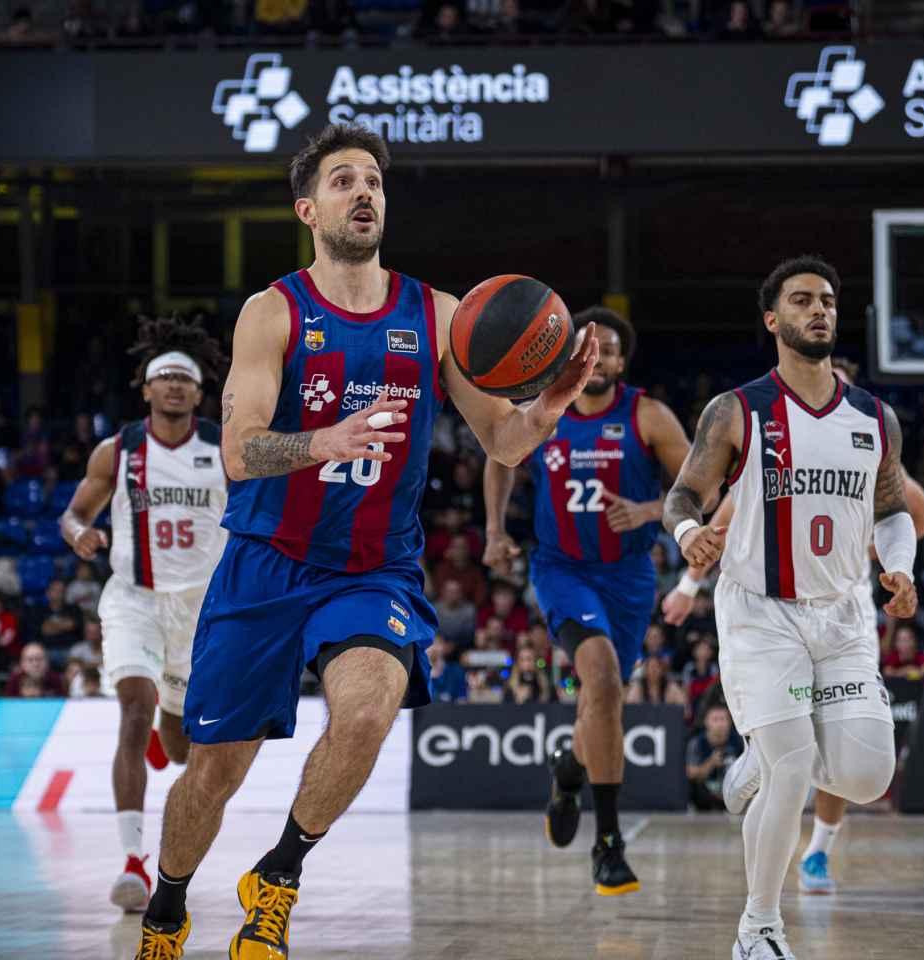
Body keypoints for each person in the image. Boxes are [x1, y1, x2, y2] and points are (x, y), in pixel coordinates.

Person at [136, 123, 599, 959]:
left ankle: (277, 876)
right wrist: (321, 440)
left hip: (374, 569)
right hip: (266, 564)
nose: (365, 192)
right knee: (215, 774)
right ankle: (166, 907)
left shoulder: (440, 315)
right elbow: (238, 453)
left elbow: (503, 442)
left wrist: (550, 405)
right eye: (345, 180)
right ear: (309, 208)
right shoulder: (273, 310)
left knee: (368, 710)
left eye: (375, 181)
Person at [661, 255, 914, 960]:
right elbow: (682, 496)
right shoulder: (737, 410)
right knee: (795, 768)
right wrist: (690, 537)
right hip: (759, 610)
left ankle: (757, 760)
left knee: (867, 778)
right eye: (802, 301)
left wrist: (900, 566)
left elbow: (893, 510)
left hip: (843, 613)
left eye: (828, 300)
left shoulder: (875, 417)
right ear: (773, 320)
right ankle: (759, 930)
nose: (819, 310)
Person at [665, 355, 924, 894]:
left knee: (856, 758)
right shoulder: (760, 424)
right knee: (795, 746)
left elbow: (916, 515)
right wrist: (687, 584)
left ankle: (799, 807)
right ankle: (781, 883)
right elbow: (722, 517)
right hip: (771, 605)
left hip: (844, 601)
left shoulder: (870, 434)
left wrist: (879, 553)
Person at [482, 303, 691, 897]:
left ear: (622, 360)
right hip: (562, 571)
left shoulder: (647, 414)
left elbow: (698, 483)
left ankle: (569, 770)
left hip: (628, 577)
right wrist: (496, 530)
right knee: (598, 682)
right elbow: (499, 457)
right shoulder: (543, 414)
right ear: (570, 356)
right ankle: (608, 845)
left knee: (603, 705)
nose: (602, 358)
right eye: (589, 347)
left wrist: (652, 510)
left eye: (613, 349)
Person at [58, 312, 230, 913]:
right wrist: (80, 533)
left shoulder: (222, 447)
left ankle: (168, 730)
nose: (177, 387)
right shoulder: (119, 449)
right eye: (166, 378)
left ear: (200, 391)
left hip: (198, 608)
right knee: (134, 708)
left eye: (187, 379)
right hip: (132, 597)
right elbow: (73, 513)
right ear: (148, 388)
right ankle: (134, 862)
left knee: (180, 750)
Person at [688, 703, 744, 811]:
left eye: (723, 719)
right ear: (706, 722)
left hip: (733, 792)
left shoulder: (738, 741)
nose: (720, 724)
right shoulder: (697, 742)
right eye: (715, 720)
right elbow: (690, 773)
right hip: (706, 793)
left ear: (730, 722)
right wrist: (711, 762)